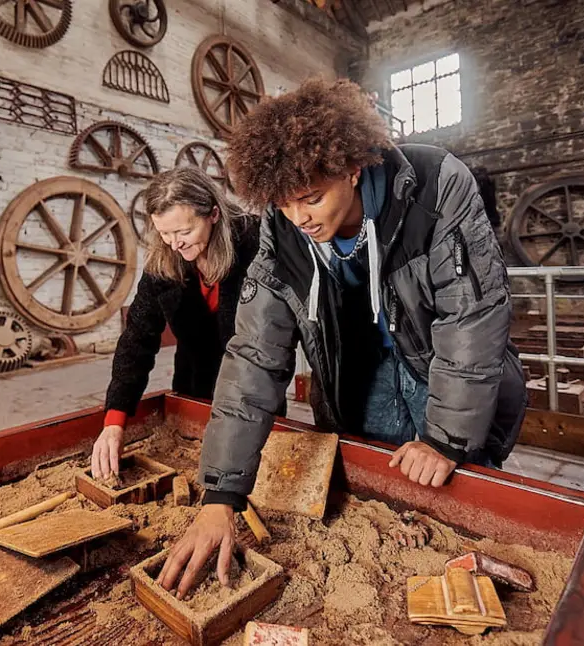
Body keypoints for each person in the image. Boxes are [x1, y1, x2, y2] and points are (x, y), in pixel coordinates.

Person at [156, 78, 526, 595]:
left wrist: (446, 438)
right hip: (357, 372)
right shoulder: (283, 228)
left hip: (438, 365)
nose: (299, 218)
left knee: (460, 496)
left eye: (311, 199)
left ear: (353, 168)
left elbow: (472, 316)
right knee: (379, 503)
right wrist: (221, 494)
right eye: (283, 204)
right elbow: (253, 356)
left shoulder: (435, 184)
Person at [90, 167, 261, 480]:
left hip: (253, 387)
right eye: (164, 233)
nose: (174, 244)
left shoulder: (256, 245)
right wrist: (114, 422)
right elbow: (137, 339)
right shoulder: (164, 260)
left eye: (183, 232)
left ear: (212, 214)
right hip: (193, 386)